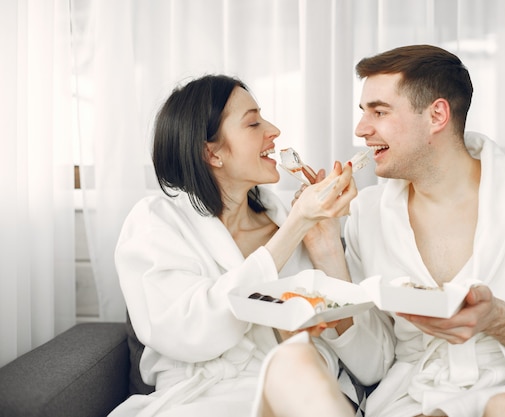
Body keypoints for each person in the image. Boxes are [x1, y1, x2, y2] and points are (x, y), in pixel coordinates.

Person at [342, 45, 505, 417]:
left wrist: (497, 318)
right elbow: (373, 363)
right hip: (418, 396)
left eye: (379, 111)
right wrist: (323, 239)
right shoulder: (366, 213)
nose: (361, 129)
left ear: (437, 114)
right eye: (364, 112)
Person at [109, 74, 368, 417]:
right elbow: (189, 333)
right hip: (199, 401)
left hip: (297, 392)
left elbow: (365, 362)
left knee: (301, 375)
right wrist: (295, 226)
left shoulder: (297, 223)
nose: (274, 130)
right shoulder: (155, 224)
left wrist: (326, 244)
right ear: (212, 152)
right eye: (253, 123)